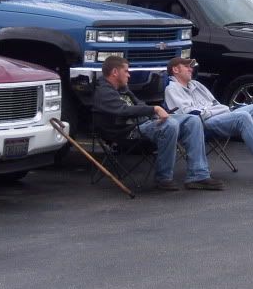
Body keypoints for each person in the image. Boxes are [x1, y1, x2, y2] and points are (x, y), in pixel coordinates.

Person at [91, 56, 224, 191]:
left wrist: (155, 114)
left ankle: (198, 175)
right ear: (115, 72)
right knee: (170, 125)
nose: (129, 75)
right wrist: (154, 109)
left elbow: (139, 105)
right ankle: (163, 178)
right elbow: (123, 110)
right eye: (126, 71)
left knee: (192, 120)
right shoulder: (104, 92)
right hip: (128, 131)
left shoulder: (122, 89)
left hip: (145, 122)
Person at [164, 57, 253, 182]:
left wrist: (218, 110)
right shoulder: (172, 89)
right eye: (186, 66)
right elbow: (190, 114)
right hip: (204, 124)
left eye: (191, 66)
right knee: (242, 117)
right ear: (175, 69)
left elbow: (215, 103)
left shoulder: (197, 85)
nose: (191, 69)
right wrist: (215, 110)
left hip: (223, 114)